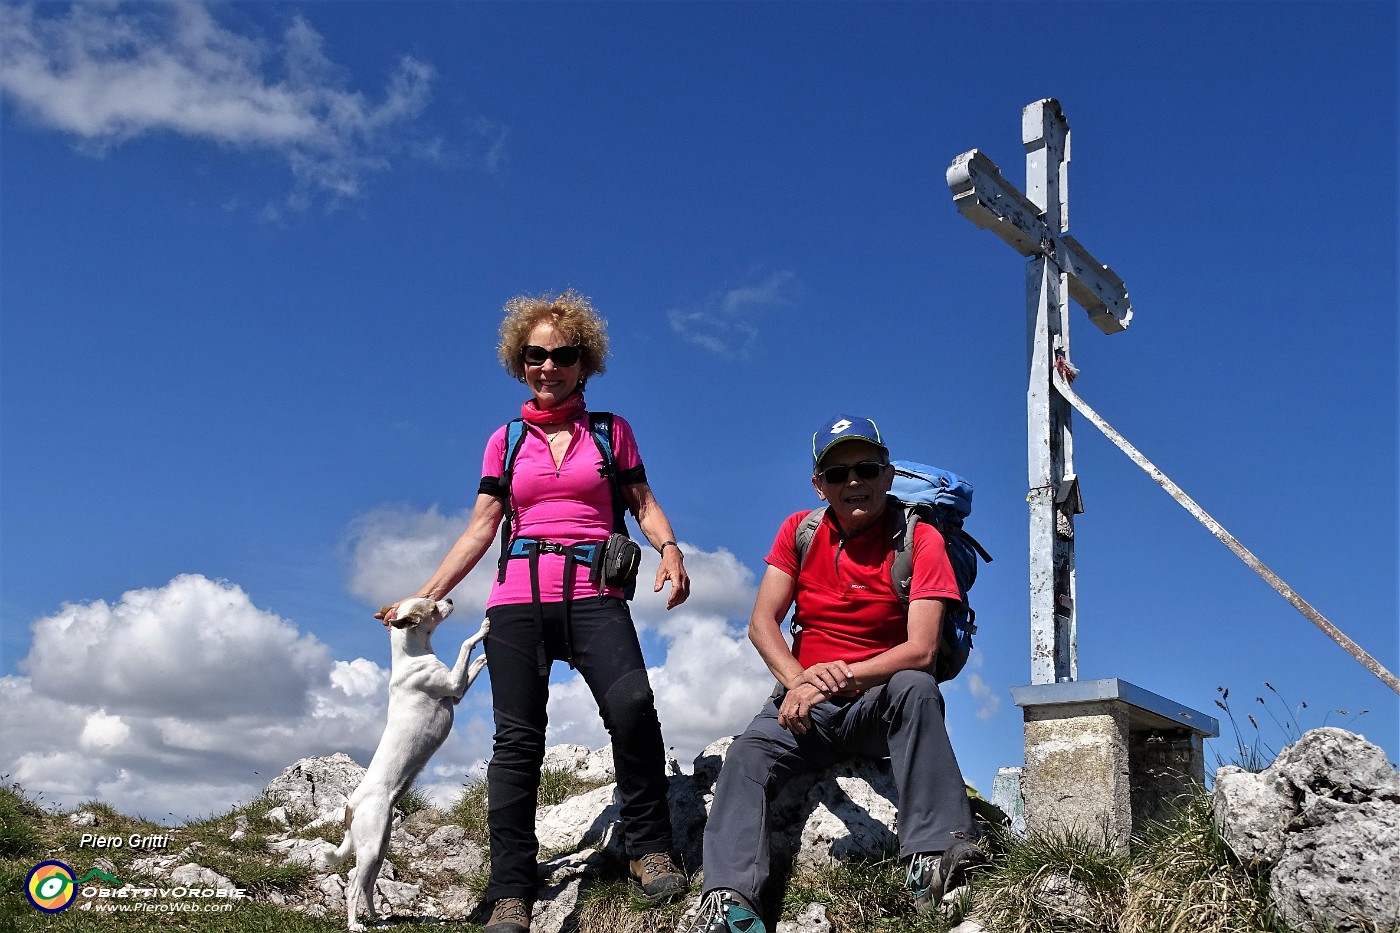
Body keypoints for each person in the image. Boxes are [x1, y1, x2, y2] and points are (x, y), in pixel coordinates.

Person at [379, 291, 691, 933]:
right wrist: (426, 594)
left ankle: (648, 846)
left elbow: (642, 499)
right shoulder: (506, 440)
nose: (548, 367)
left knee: (632, 706)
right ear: (519, 362)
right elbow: (481, 526)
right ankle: (511, 889)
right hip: (518, 598)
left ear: (585, 363)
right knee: (517, 743)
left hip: (594, 595)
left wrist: (670, 548)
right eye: (535, 356)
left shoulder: (611, 431)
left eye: (563, 355)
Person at [682, 414, 983, 933]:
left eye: (866, 469)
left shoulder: (920, 538)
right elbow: (761, 623)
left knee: (916, 687)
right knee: (749, 751)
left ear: (887, 476)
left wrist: (839, 677)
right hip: (807, 705)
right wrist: (801, 682)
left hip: (877, 706)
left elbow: (922, 650)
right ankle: (730, 901)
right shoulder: (799, 532)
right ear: (819, 485)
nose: (853, 483)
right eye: (837, 473)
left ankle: (936, 855)